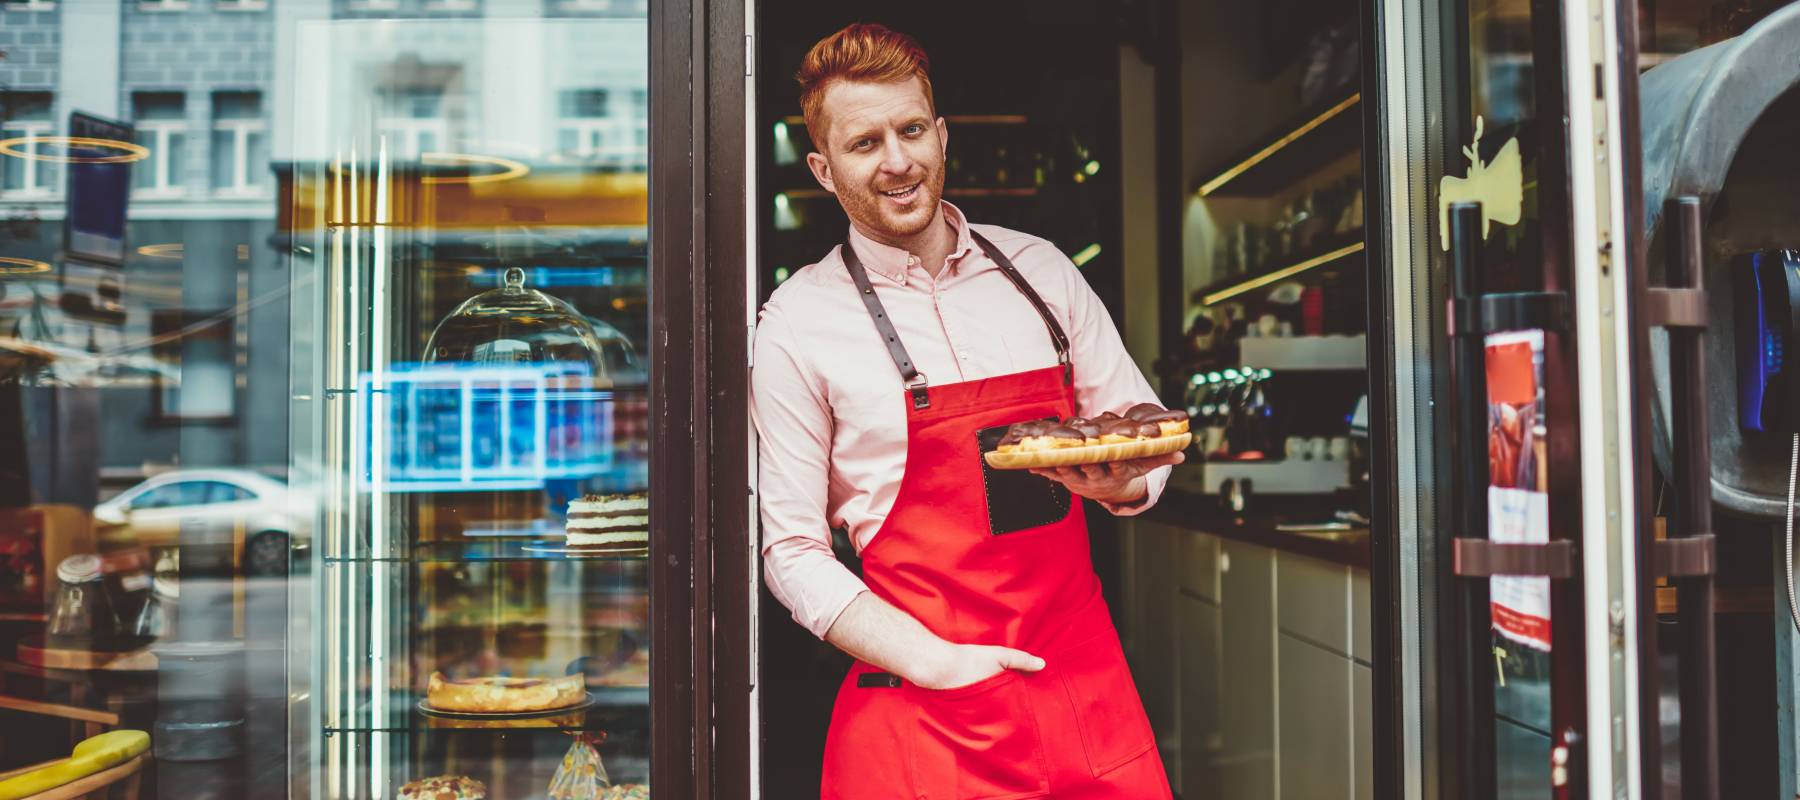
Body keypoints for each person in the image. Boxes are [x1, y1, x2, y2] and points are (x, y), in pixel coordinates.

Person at [751, 23, 1180, 799]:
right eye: (865, 142)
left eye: (912, 130)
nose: (898, 162)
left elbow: (1133, 418)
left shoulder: (1042, 273)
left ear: (942, 133)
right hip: (922, 713)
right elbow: (790, 552)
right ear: (822, 167)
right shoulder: (797, 321)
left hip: (1080, 691)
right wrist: (932, 660)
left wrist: (1124, 485)